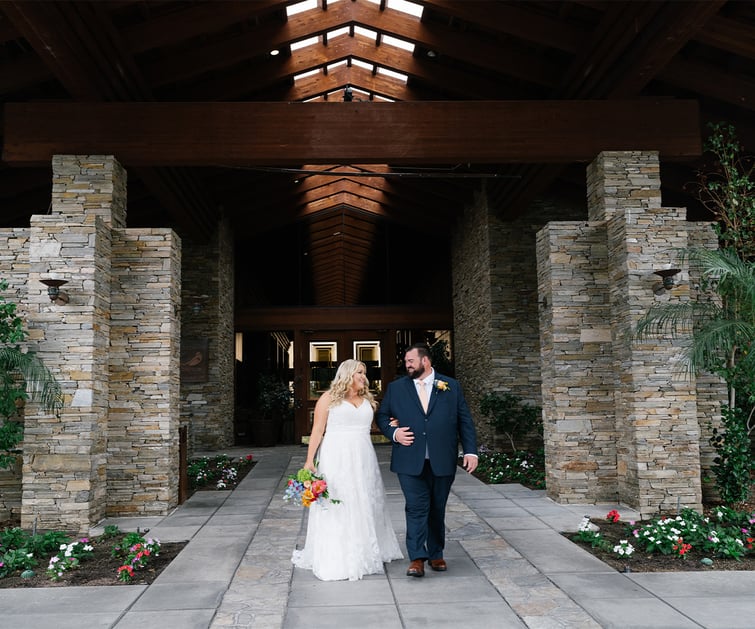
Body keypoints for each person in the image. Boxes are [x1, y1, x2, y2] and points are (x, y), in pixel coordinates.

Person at [291, 359, 403, 581]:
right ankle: (339, 555)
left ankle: (367, 549)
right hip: (336, 456)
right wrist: (309, 460)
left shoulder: (367, 400)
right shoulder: (329, 398)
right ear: (347, 375)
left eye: (365, 372)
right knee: (341, 500)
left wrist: (394, 424)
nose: (364, 376)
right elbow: (318, 430)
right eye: (359, 372)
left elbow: (376, 425)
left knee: (366, 499)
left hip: (363, 456)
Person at [376, 343, 478, 577]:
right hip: (409, 459)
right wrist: (394, 433)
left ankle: (436, 553)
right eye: (405, 362)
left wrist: (470, 451)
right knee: (416, 507)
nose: (407, 364)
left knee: (437, 507)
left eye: (410, 360)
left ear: (425, 361)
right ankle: (417, 558)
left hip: (442, 458)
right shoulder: (396, 388)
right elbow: (382, 415)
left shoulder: (450, 386)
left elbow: (464, 420)